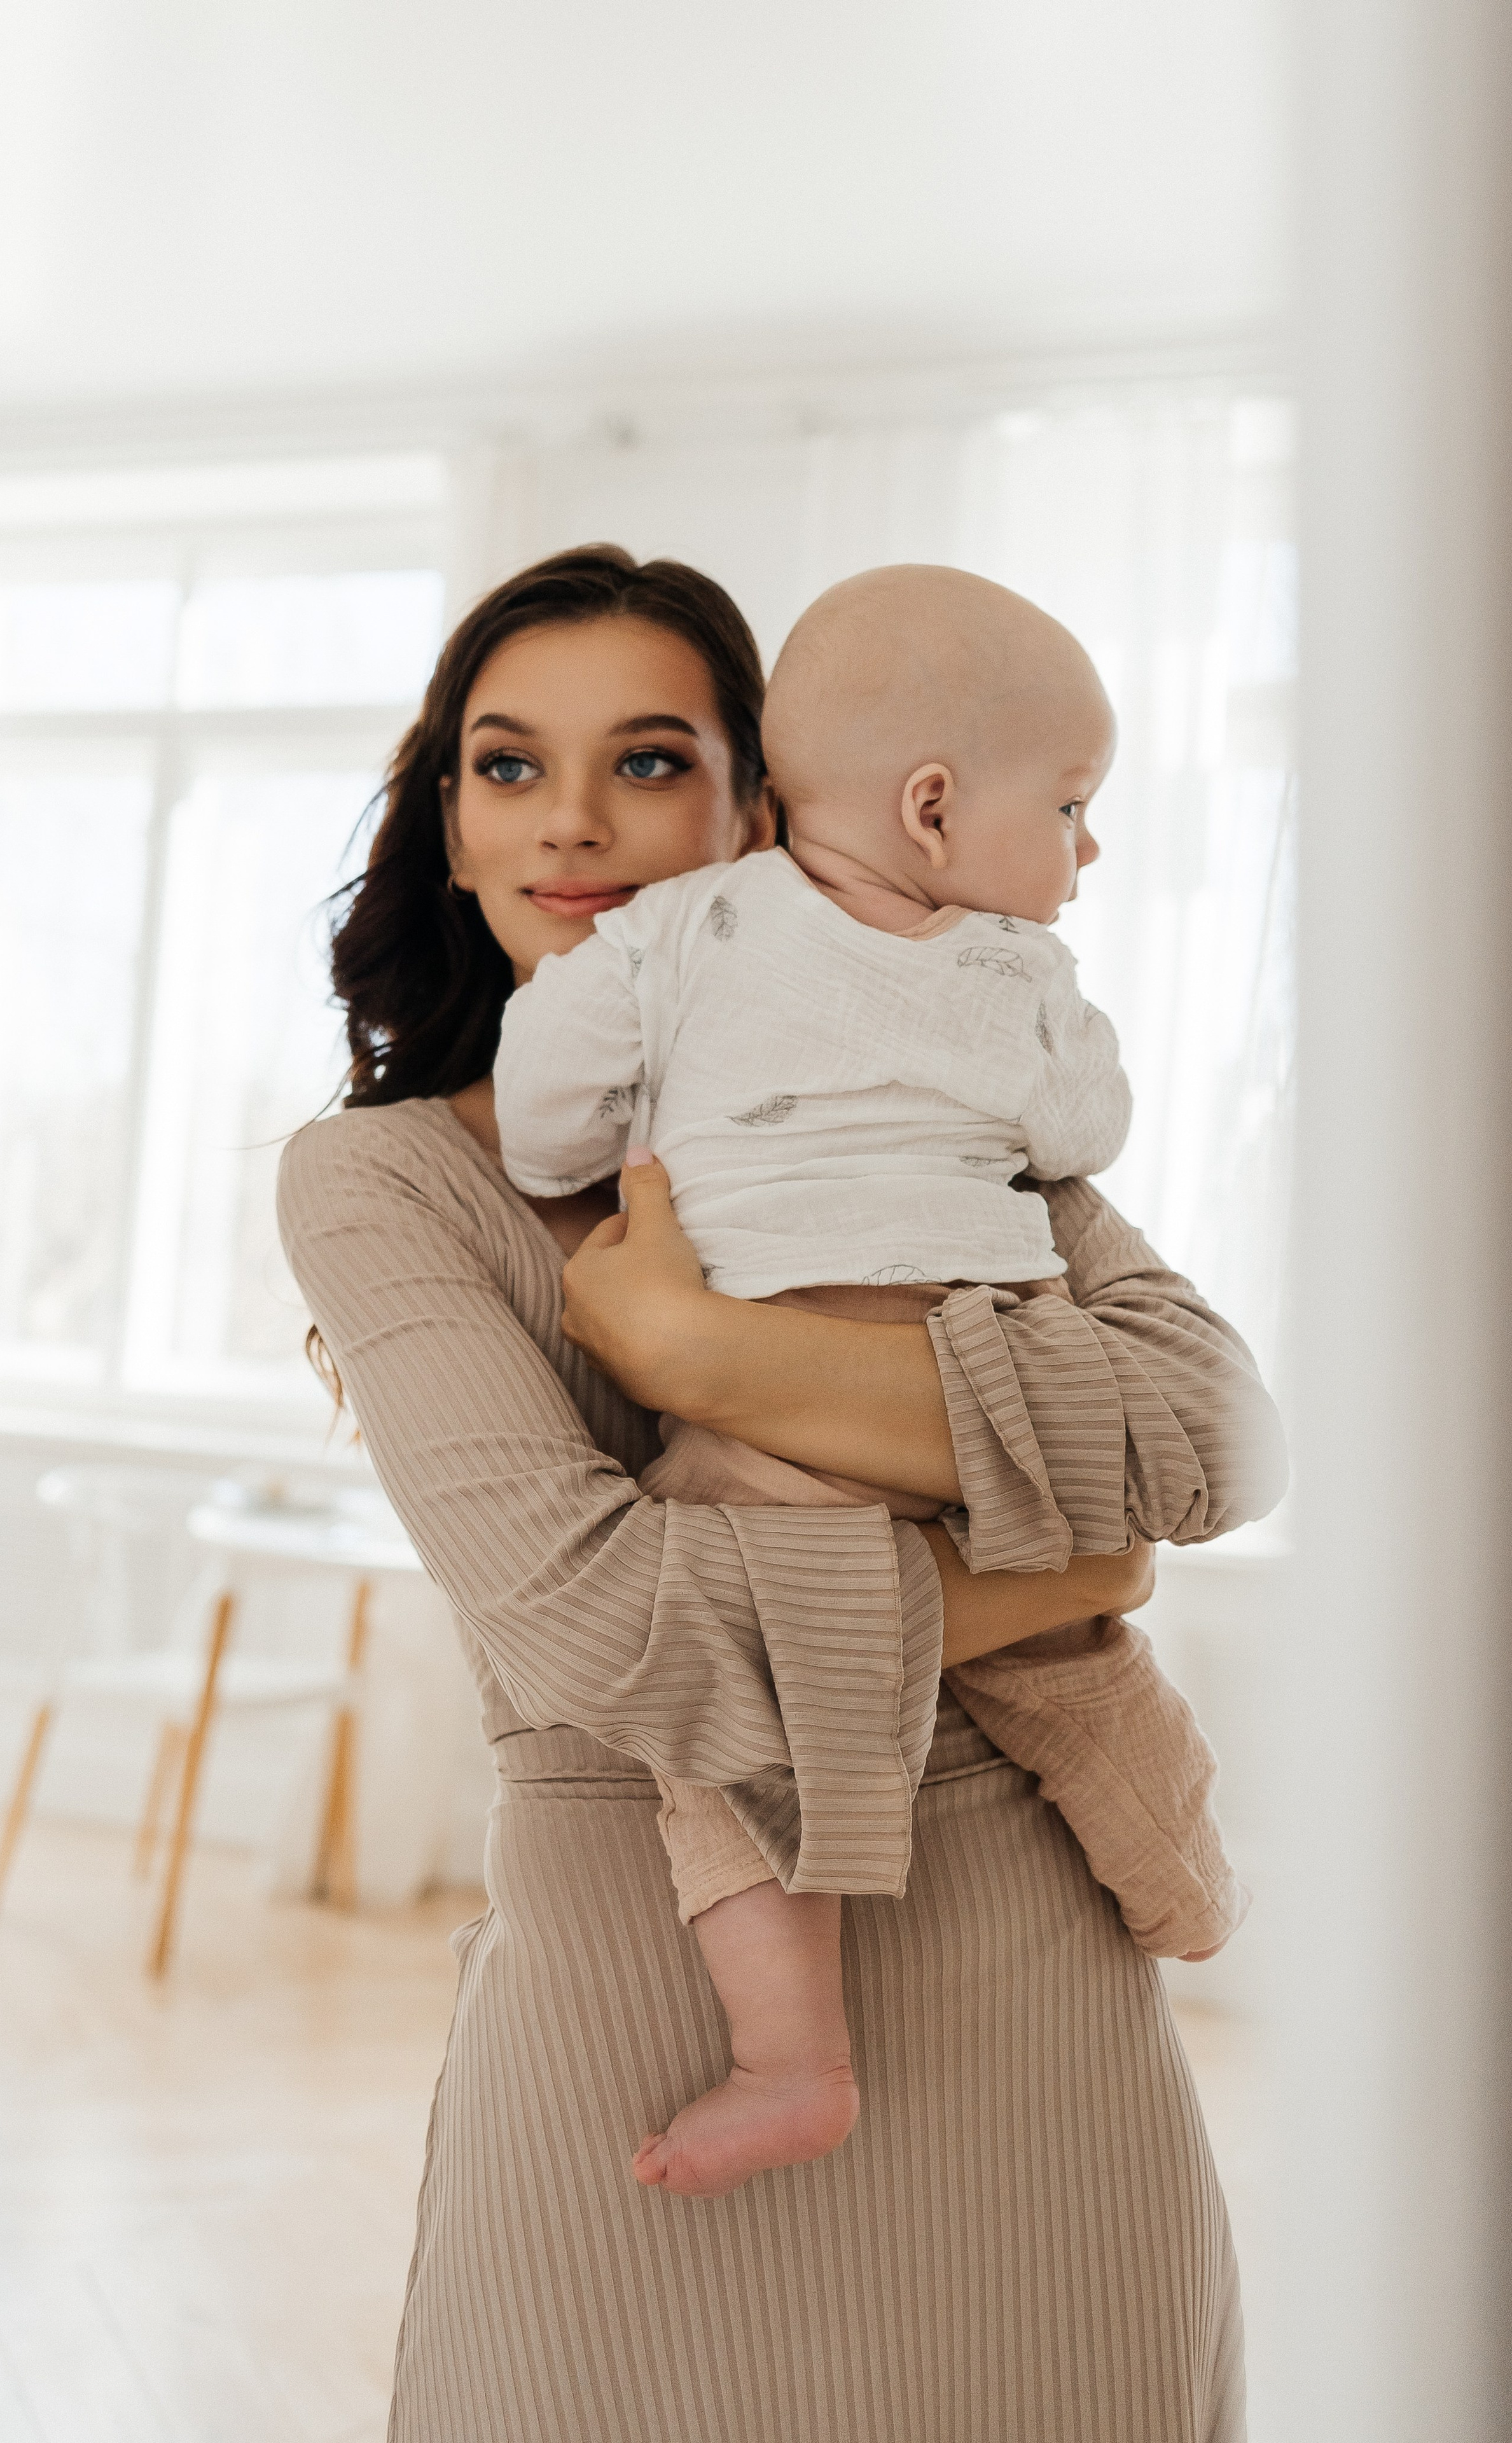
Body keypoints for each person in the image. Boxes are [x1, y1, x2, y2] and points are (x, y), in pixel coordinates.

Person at [277, 544, 1287, 2443]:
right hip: (637, 2048)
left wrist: (706, 1358)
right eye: (508, 766)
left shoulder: (933, 1087)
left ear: (763, 809)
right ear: (450, 817)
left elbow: (1220, 1438)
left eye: (649, 761)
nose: (571, 821)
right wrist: (1060, 1550)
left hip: (1033, 2021)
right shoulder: (387, 1186)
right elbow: (599, 1634)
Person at [491, 564, 1246, 2203]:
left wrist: (581, 1157)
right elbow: (1078, 1140)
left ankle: (791, 2058)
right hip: (989, 1364)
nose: (1087, 851)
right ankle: (1184, 1883)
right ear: (932, 809)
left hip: (767, 1425)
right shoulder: (1016, 972)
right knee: (1079, 1654)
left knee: (728, 1749)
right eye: (1070, 807)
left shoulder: (673, 935)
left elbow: (551, 1095)